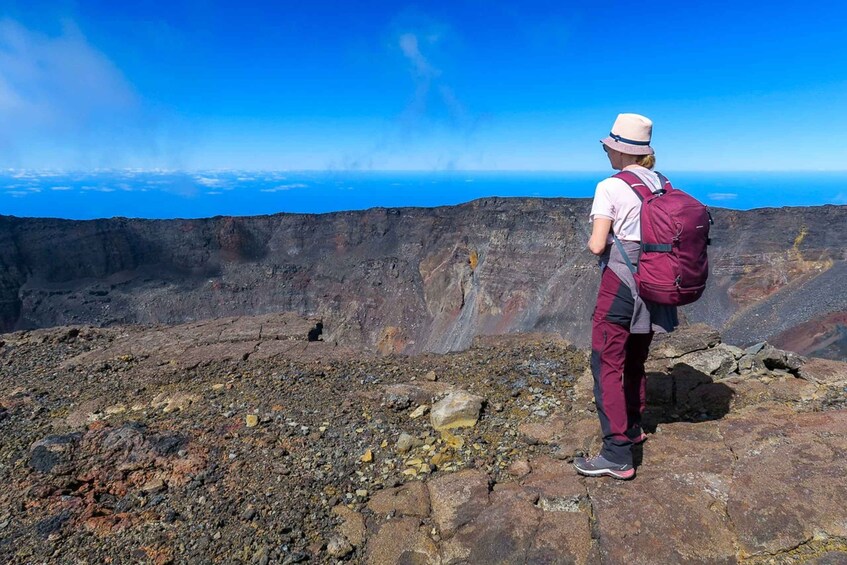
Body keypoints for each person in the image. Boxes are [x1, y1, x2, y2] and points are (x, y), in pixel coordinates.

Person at [573, 113, 678, 480]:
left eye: (609, 146)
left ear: (619, 150)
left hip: (621, 283)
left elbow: (597, 244)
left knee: (606, 363)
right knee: (635, 359)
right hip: (654, 284)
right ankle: (633, 426)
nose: (606, 151)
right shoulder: (661, 182)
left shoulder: (610, 186)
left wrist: (593, 240)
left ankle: (617, 454)